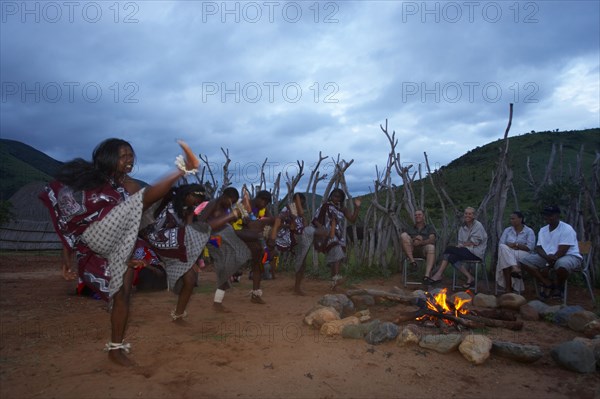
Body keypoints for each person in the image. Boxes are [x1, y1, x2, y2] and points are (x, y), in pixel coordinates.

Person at [39, 138, 201, 367]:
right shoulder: (89, 183)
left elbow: (148, 209)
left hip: (120, 246)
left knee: (122, 294)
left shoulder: (133, 186)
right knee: (135, 204)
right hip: (96, 236)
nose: (129, 160)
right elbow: (72, 222)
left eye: (131, 155)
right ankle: (183, 169)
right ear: (108, 157)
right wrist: (67, 257)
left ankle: (115, 349)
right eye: (123, 155)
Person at [141, 183, 242, 310]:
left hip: (175, 243)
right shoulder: (170, 202)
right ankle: (234, 215)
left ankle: (178, 314)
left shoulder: (188, 211)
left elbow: (188, 230)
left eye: (199, 202)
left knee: (190, 280)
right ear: (187, 195)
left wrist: (189, 217)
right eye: (195, 199)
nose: (196, 203)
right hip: (157, 237)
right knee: (201, 232)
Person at [202, 187, 251, 312]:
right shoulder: (213, 204)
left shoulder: (226, 208)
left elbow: (238, 220)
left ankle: (218, 302)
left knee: (226, 268)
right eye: (231, 201)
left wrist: (242, 216)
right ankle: (218, 302)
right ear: (224, 196)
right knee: (225, 267)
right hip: (214, 239)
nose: (231, 204)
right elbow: (202, 223)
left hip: (224, 238)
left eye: (234, 202)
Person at [519, 205, 582, 300]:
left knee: (562, 265)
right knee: (524, 261)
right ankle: (546, 283)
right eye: (546, 215)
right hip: (548, 256)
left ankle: (558, 287)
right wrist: (547, 258)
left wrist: (549, 263)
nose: (547, 218)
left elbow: (563, 249)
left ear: (557, 216)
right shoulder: (543, 230)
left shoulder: (567, 228)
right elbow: (539, 247)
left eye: (550, 215)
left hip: (568, 255)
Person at [269, 192, 322, 295]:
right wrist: (289, 227)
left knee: (302, 262)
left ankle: (297, 286)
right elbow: (279, 222)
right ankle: (295, 287)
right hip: (287, 237)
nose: (300, 203)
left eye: (302, 201)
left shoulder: (300, 214)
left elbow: (304, 226)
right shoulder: (290, 208)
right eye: (298, 201)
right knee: (300, 262)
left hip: (298, 237)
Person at [312, 188, 361, 290]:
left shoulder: (343, 209)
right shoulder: (325, 206)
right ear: (331, 196)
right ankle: (336, 278)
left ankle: (333, 283)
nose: (336, 198)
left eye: (339, 197)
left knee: (336, 258)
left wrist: (357, 207)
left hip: (338, 235)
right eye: (335, 196)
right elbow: (315, 219)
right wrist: (322, 230)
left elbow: (352, 219)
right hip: (328, 235)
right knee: (337, 253)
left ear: (342, 198)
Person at [233, 189, 275, 304]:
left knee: (257, 265)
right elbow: (238, 221)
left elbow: (271, 221)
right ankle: (218, 299)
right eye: (264, 202)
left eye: (266, 204)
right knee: (230, 266)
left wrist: (268, 232)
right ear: (259, 199)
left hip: (254, 240)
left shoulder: (263, 210)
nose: (264, 205)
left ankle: (255, 295)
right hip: (238, 236)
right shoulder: (243, 205)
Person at [429, 207, 487, 289]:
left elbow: (475, 242)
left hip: (476, 252)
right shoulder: (462, 227)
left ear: (473, 216)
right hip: (465, 250)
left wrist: (462, 245)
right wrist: (461, 246)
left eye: (470, 214)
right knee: (451, 257)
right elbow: (461, 242)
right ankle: (470, 277)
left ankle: (438, 274)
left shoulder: (478, 225)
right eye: (466, 213)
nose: (467, 215)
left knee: (449, 249)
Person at [495, 211, 536, 293]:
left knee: (504, 258)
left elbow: (530, 247)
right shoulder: (508, 230)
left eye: (513, 218)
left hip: (523, 254)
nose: (511, 220)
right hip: (508, 252)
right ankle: (515, 267)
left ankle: (508, 287)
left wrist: (516, 245)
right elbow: (501, 244)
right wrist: (510, 246)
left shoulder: (529, 231)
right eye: (510, 219)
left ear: (520, 219)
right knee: (503, 249)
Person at [400, 209, 437, 282]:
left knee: (431, 247)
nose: (417, 216)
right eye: (416, 215)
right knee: (403, 235)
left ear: (423, 216)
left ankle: (426, 276)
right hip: (412, 250)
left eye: (419, 214)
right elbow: (404, 240)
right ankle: (413, 262)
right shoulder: (410, 228)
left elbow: (432, 240)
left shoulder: (429, 228)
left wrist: (421, 242)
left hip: (423, 250)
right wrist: (414, 239)